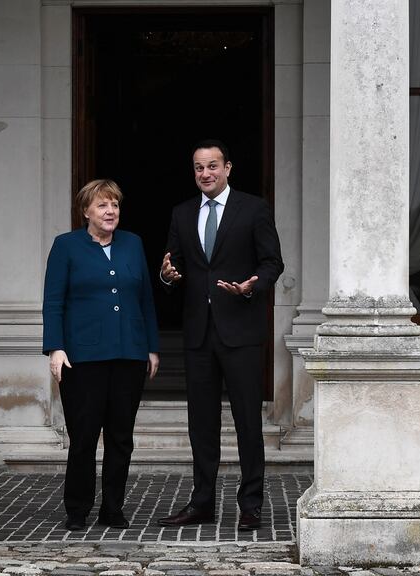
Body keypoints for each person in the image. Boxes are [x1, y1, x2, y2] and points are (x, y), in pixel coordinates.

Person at [157, 139, 283, 531]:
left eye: (212, 166)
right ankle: (202, 503)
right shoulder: (181, 213)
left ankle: (251, 505)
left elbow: (272, 262)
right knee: (202, 424)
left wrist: (252, 286)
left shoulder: (254, 209)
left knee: (247, 421)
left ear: (228, 168)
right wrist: (167, 275)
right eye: (198, 168)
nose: (205, 174)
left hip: (241, 333)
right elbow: (172, 265)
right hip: (198, 334)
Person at [43, 178, 160, 531]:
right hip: (82, 359)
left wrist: (151, 347)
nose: (110, 211)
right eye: (102, 205)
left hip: (128, 355)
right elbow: (53, 301)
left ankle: (113, 508)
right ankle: (77, 508)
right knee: (84, 436)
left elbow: (145, 300)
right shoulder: (66, 246)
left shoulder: (133, 244)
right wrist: (55, 347)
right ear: (86, 212)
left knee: (121, 437)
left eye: (115, 205)